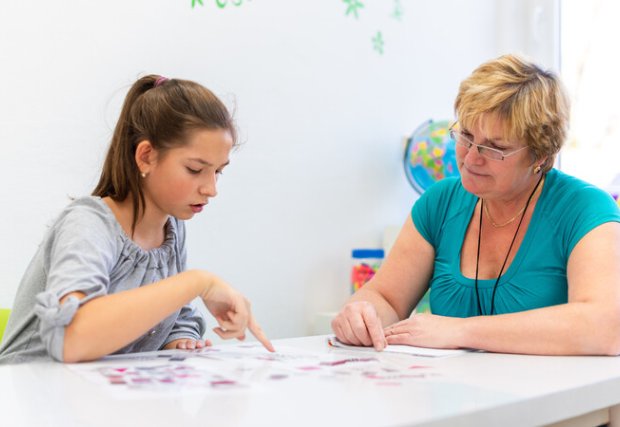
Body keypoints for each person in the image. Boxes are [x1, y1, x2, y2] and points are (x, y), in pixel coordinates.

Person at [332, 54, 620, 356]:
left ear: (541, 155)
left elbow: (606, 327)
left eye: (496, 148)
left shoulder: (585, 208)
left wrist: (459, 331)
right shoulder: (440, 202)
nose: (470, 159)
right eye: (466, 136)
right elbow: (387, 299)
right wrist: (362, 314)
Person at [0, 75, 274, 364]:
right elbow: (71, 339)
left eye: (218, 171)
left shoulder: (171, 228)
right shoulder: (88, 223)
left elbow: (174, 314)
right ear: (145, 156)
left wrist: (178, 340)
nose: (211, 189)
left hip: (94, 398)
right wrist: (197, 282)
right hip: (29, 395)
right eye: (195, 169)